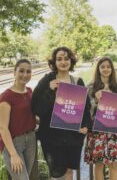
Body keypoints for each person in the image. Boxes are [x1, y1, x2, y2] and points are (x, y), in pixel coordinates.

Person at [31, 46, 91, 180]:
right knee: (57, 175)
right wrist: (49, 91)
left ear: (71, 61)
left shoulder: (78, 82)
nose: (63, 62)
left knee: (69, 173)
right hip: (52, 138)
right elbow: (36, 107)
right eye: (59, 59)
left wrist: (86, 125)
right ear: (54, 62)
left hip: (73, 137)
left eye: (66, 58)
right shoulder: (47, 81)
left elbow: (86, 108)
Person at [84, 57, 117, 180]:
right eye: (103, 66)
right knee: (99, 165)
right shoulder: (91, 86)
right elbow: (87, 110)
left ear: (112, 69)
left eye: (108, 67)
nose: (106, 69)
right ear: (98, 69)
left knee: (113, 164)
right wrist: (97, 101)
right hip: (96, 129)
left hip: (113, 130)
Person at [0, 59, 36, 180]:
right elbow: (3, 128)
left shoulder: (30, 92)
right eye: (21, 71)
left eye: (28, 71)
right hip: (14, 143)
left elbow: (31, 115)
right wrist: (13, 154)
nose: (25, 75)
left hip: (31, 140)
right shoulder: (6, 96)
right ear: (14, 72)